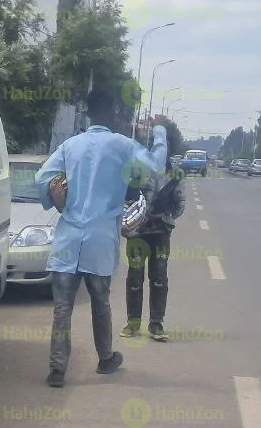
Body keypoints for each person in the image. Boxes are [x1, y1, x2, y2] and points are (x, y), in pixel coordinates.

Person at [34, 87, 168, 388]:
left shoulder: (70, 146)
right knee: (100, 302)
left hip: (68, 239)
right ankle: (105, 358)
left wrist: (57, 200)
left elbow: (41, 178)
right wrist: (159, 132)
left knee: (62, 307)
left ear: (89, 113)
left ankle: (57, 370)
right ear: (112, 114)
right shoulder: (123, 145)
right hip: (100, 240)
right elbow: (156, 166)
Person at [122, 157, 184, 342]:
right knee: (135, 277)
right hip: (136, 234)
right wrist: (129, 223)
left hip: (160, 233)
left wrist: (160, 216)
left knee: (159, 278)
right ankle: (133, 324)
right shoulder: (133, 169)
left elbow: (179, 204)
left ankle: (156, 324)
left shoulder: (173, 173)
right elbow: (122, 199)